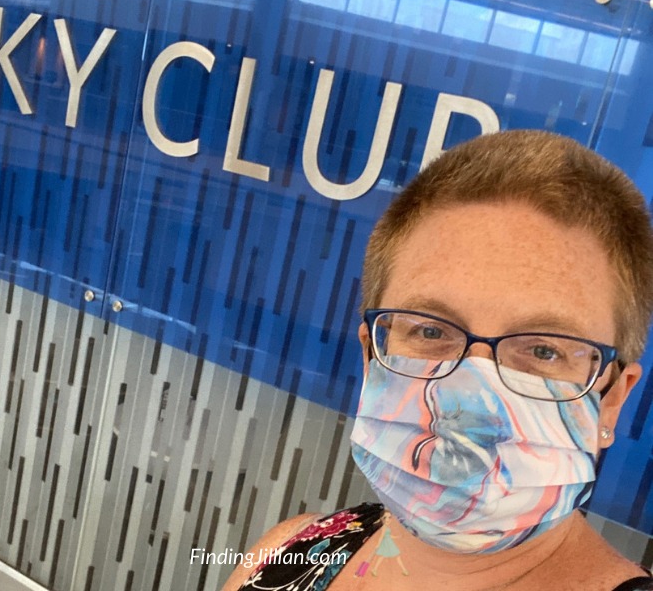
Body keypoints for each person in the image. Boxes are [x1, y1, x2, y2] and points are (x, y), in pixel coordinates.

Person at [223, 130, 653, 590]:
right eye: (430, 330)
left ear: (612, 400)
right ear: (372, 360)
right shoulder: (289, 551)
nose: (469, 398)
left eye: (545, 350)